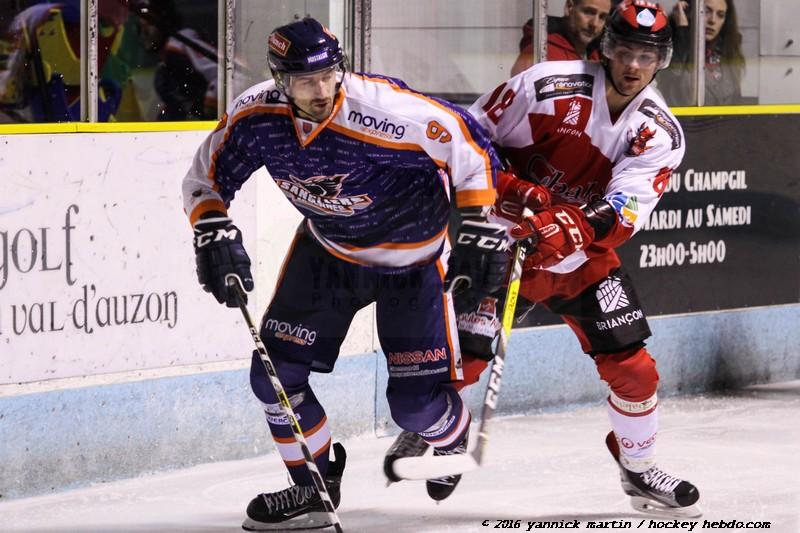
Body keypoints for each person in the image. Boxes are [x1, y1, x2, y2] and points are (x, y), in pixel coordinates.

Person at [182, 17, 509, 530]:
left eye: (328, 76)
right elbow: (205, 177)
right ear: (280, 80)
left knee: (415, 408)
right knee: (274, 377)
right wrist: (211, 227)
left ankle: (450, 436)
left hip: (411, 262)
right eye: (304, 81)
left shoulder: (384, 109)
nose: (320, 91)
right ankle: (313, 488)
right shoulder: (257, 116)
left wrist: (477, 223)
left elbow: (468, 144)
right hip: (328, 255)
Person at [386, 0, 702, 518]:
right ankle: (439, 432)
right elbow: (466, 140)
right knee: (460, 363)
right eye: (625, 51)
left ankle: (639, 469)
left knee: (635, 371)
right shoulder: (546, 87)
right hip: (500, 241)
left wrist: (570, 226)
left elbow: (627, 207)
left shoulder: (657, 131)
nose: (633, 65)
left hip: (579, 261)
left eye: (647, 56)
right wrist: (508, 190)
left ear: (661, 61)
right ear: (605, 48)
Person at [129, 0, 220, 120]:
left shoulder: (179, 44)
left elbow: (225, 74)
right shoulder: (164, 68)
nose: (144, 33)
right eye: (140, 27)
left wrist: (209, 107)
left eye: (149, 22)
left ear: (164, 21)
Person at [658, 0, 745, 105]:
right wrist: (683, 31)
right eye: (705, 11)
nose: (712, 20)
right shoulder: (672, 47)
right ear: (689, 12)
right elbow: (669, 80)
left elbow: (735, 100)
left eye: (720, 15)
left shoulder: (727, 52)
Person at [510, 0, 612, 76]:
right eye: (589, 12)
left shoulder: (597, 56)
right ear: (569, 7)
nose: (594, 24)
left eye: (602, 17)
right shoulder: (542, 53)